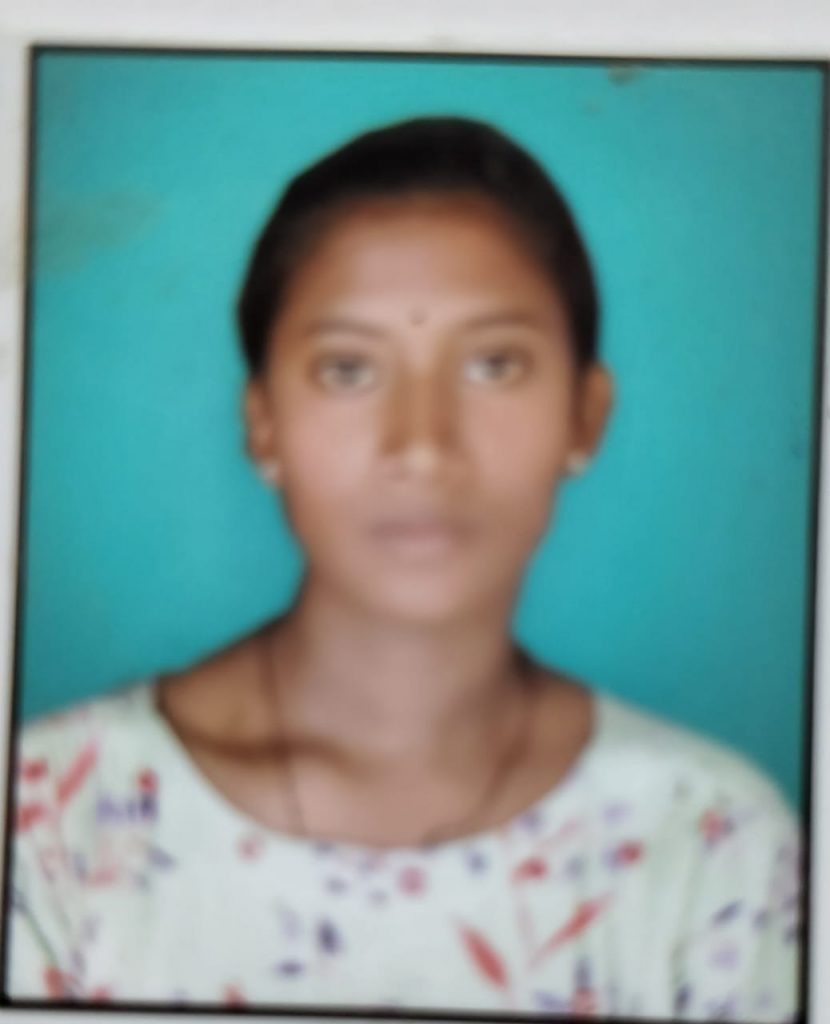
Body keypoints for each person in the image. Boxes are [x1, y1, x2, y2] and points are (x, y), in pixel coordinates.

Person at [7, 116, 801, 1021]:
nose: (421, 446)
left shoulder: (711, 847)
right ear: (262, 424)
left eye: (494, 365)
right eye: (348, 369)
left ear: (586, 415)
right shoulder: (53, 823)